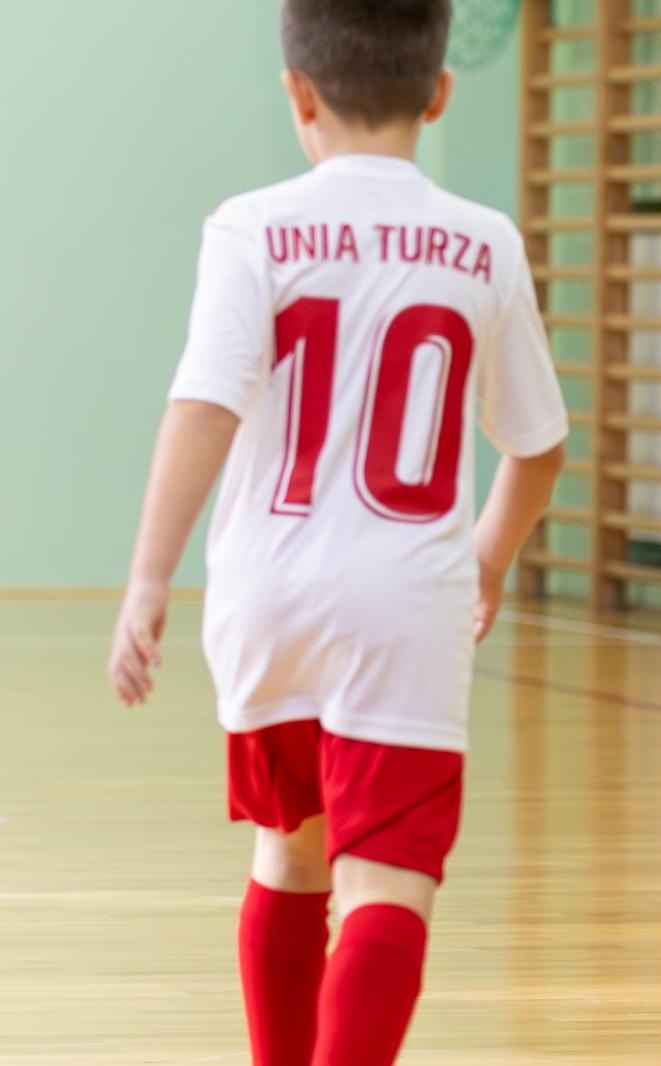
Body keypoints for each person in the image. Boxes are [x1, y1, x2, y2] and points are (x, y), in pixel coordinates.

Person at [105, 2, 568, 1061]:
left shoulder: (250, 225)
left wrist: (147, 579)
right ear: (440, 92)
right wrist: (488, 562)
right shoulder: (484, 241)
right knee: (387, 885)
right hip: (407, 602)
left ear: (298, 93)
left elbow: (203, 407)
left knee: (289, 852)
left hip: (265, 593)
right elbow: (538, 446)